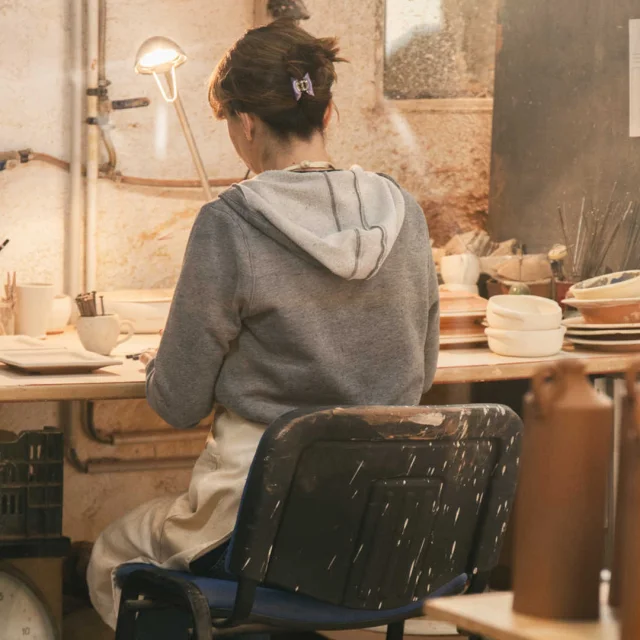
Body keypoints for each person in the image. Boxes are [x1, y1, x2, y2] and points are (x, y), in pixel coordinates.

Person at [87, 18, 439, 629]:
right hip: (383, 529)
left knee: (111, 553)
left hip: (258, 529)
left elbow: (177, 403)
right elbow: (422, 370)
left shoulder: (230, 222)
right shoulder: (404, 212)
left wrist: (165, 368)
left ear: (244, 123)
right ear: (326, 118)